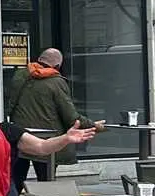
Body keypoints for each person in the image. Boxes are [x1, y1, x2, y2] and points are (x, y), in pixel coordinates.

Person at [7, 48, 105, 188]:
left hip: (21, 135)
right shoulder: (56, 82)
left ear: (39, 59)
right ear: (57, 66)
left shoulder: (20, 75)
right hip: (47, 138)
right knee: (46, 182)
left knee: (15, 180)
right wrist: (94, 125)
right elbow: (71, 117)